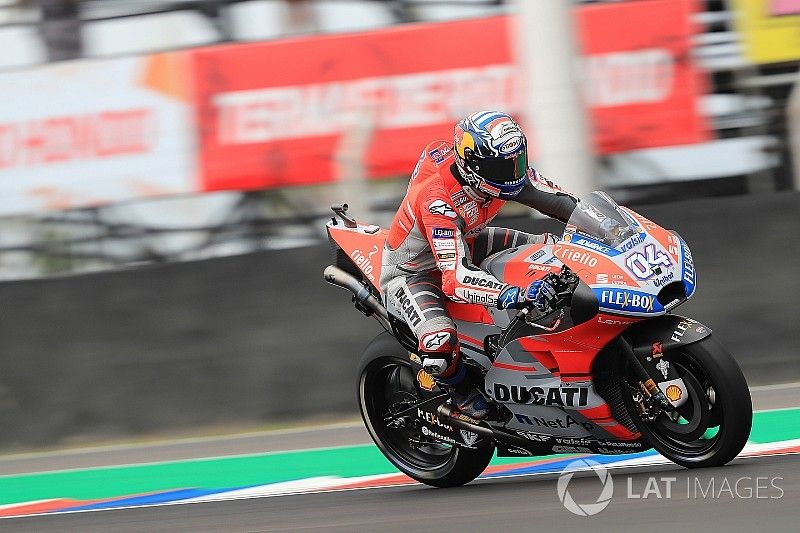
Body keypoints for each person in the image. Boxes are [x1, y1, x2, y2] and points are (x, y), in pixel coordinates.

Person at [380, 111, 581, 420]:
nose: (513, 172)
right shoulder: (439, 201)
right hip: (415, 272)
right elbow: (455, 279)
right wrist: (513, 294)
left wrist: (609, 225)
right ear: (472, 164)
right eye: (502, 166)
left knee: (555, 248)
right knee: (439, 342)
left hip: (470, 240)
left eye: (517, 161)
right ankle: (461, 395)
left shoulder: (507, 173)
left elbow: (561, 203)